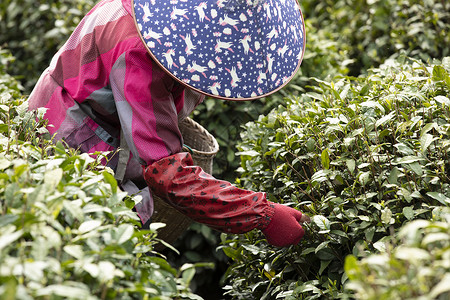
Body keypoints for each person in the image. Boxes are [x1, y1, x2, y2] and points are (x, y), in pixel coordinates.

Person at [28, 0, 309, 247]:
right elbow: (168, 174)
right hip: (72, 131)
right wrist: (263, 214)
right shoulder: (140, 53)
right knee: (90, 235)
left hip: (87, 107)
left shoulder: (159, 15)